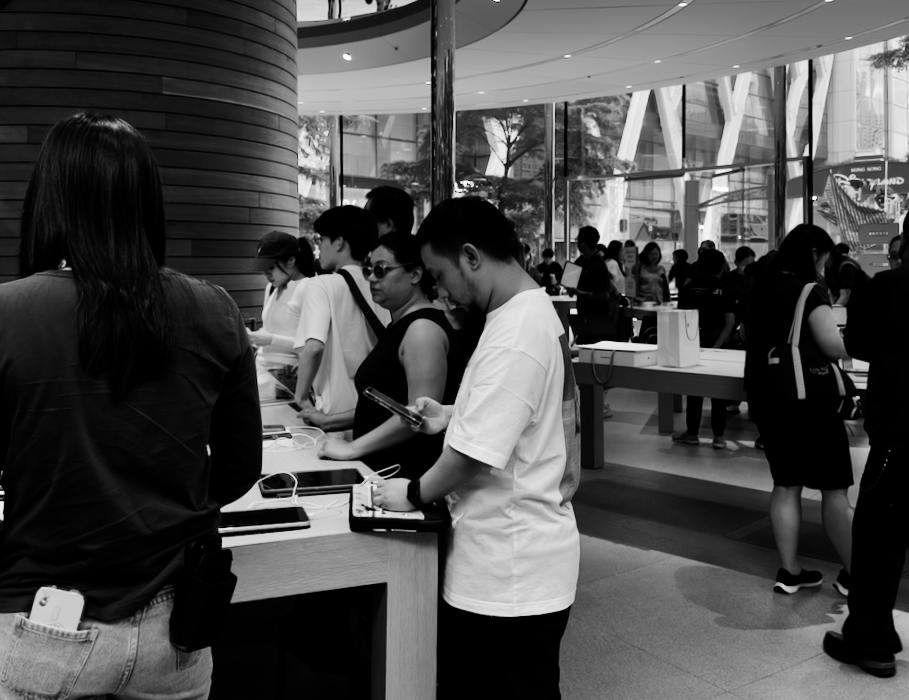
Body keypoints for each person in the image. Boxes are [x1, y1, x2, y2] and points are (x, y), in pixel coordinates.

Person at [0, 113, 261, 697]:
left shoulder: (9, 313)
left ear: (48, 198)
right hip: (177, 626)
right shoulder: (216, 310)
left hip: (43, 615)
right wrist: (164, 503)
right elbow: (242, 466)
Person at [373, 197, 581, 700]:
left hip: (508, 568)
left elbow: (472, 456)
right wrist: (450, 416)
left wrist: (413, 493)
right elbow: (528, 419)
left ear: (470, 256)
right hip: (521, 553)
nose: (440, 292)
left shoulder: (515, 332)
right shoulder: (532, 311)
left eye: (439, 275)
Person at [744, 224, 853, 596]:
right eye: (824, 256)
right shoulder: (809, 291)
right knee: (835, 489)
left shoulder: (761, 286)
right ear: (813, 254)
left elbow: (747, 334)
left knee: (786, 483)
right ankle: (857, 576)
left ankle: (790, 571)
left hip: (767, 396)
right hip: (810, 402)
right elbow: (833, 346)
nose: (825, 264)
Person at [823, 235, 909, 678]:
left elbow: (857, 341)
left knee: (878, 542)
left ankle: (872, 642)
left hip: (900, 438)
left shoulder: (889, 286)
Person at [316, 232, 462, 480]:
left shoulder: (422, 330)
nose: (372, 278)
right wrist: (331, 422)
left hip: (402, 477)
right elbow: (384, 405)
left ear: (415, 275)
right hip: (379, 471)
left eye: (381, 270)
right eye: (369, 270)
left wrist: (351, 448)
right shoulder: (400, 324)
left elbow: (418, 413)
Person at [294, 205, 391, 420]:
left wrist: (300, 398)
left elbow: (314, 347)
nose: (318, 247)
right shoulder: (381, 286)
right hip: (372, 410)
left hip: (332, 411)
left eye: (321, 240)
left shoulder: (321, 285)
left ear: (338, 242)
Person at [671, 249, 737, 449]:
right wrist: (717, 346)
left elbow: (681, 320)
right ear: (721, 268)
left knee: (694, 390)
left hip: (693, 345)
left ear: (699, 265)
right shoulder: (726, 289)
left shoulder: (688, 289)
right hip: (720, 346)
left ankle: (692, 434)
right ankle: (719, 437)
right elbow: (730, 322)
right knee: (718, 391)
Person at [247, 232, 315, 386]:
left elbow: (313, 346)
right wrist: (254, 337)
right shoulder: (271, 288)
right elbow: (269, 329)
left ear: (291, 261)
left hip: (287, 375)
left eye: (270, 267)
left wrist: (271, 339)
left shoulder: (309, 287)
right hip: (262, 371)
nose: (266, 273)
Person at [567, 226, 618, 345]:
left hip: (597, 321)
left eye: (578, 239)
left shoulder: (598, 265)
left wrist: (579, 293)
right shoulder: (584, 261)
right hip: (587, 319)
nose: (577, 243)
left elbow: (604, 295)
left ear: (583, 242)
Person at [824, 242, 868, 309]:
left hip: (862, 304)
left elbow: (845, 296)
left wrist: (832, 312)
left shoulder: (847, 267)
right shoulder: (829, 268)